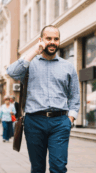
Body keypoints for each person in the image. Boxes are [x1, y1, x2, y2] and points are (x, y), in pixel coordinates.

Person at [7, 25, 80, 173]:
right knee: (37, 168)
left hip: (60, 123)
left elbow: (74, 96)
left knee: (59, 167)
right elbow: (12, 72)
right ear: (41, 40)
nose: (52, 42)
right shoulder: (29, 63)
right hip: (34, 122)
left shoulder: (68, 67)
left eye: (56, 39)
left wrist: (70, 120)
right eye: (48, 38)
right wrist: (34, 51)